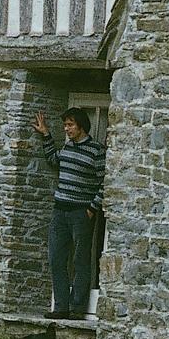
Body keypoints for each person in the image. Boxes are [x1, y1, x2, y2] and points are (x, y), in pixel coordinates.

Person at [35, 106, 105, 319]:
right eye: (65, 125)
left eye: (70, 125)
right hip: (60, 212)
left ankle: (77, 309)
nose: (66, 129)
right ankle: (61, 307)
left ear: (81, 126)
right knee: (57, 258)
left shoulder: (96, 151)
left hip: (81, 213)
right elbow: (53, 160)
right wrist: (46, 134)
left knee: (80, 260)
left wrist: (92, 208)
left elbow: (105, 181)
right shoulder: (67, 148)